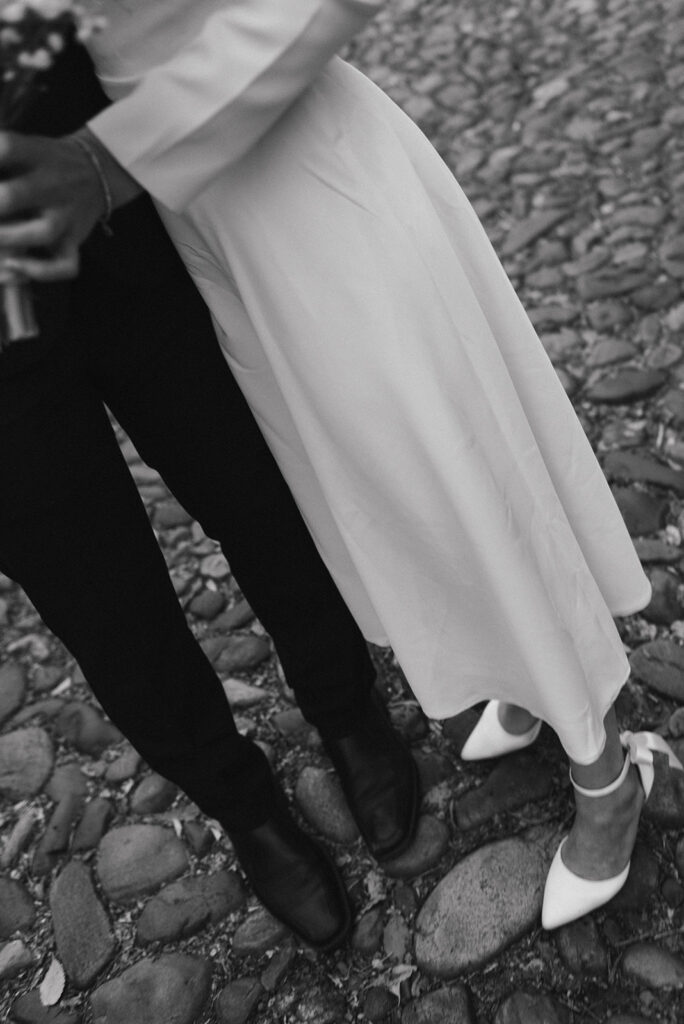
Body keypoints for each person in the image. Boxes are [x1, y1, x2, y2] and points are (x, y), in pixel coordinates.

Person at [1, 0, 683, 930]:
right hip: (203, 222)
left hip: (289, 171)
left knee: (451, 472)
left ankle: (607, 771)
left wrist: (110, 157)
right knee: (375, 486)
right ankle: (527, 686)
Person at [0, 38, 420, 952]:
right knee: (100, 597)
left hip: (76, 179)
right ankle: (245, 807)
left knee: (246, 476)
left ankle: (347, 707)